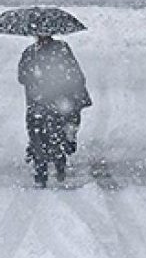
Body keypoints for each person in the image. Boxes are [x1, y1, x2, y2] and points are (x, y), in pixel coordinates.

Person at [18, 34, 91, 187]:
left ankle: (42, 170)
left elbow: (22, 77)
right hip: (56, 101)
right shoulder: (62, 50)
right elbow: (74, 73)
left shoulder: (30, 52)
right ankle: (57, 162)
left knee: (38, 134)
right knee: (56, 133)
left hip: (40, 102)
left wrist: (36, 79)